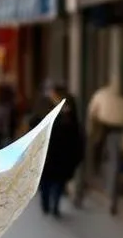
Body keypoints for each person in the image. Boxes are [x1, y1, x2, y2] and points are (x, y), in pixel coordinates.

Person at [32, 81, 84, 217]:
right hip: (60, 145)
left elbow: (35, 121)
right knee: (55, 177)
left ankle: (48, 203)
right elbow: (75, 125)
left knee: (48, 177)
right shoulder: (67, 102)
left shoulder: (48, 102)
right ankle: (53, 202)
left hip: (52, 145)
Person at [85, 76, 123, 214]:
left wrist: (90, 131)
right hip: (120, 132)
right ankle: (113, 195)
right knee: (115, 163)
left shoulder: (100, 95)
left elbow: (91, 112)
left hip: (103, 130)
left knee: (100, 159)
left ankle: (95, 186)